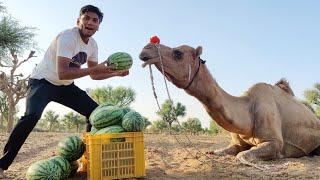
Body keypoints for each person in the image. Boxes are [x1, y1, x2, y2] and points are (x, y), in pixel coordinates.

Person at [0, 5, 128, 173]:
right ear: (78, 21)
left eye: (94, 20)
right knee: (31, 116)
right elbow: (63, 73)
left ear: (98, 25)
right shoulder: (67, 37)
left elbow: (94, 75)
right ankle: (2, 164)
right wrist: (94, 69)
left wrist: (115, 74)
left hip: (65, 87)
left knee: (95, 114)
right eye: (86, 18)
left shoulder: (93, 45)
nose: (90, 22)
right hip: (42, 82)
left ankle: (87, 161)